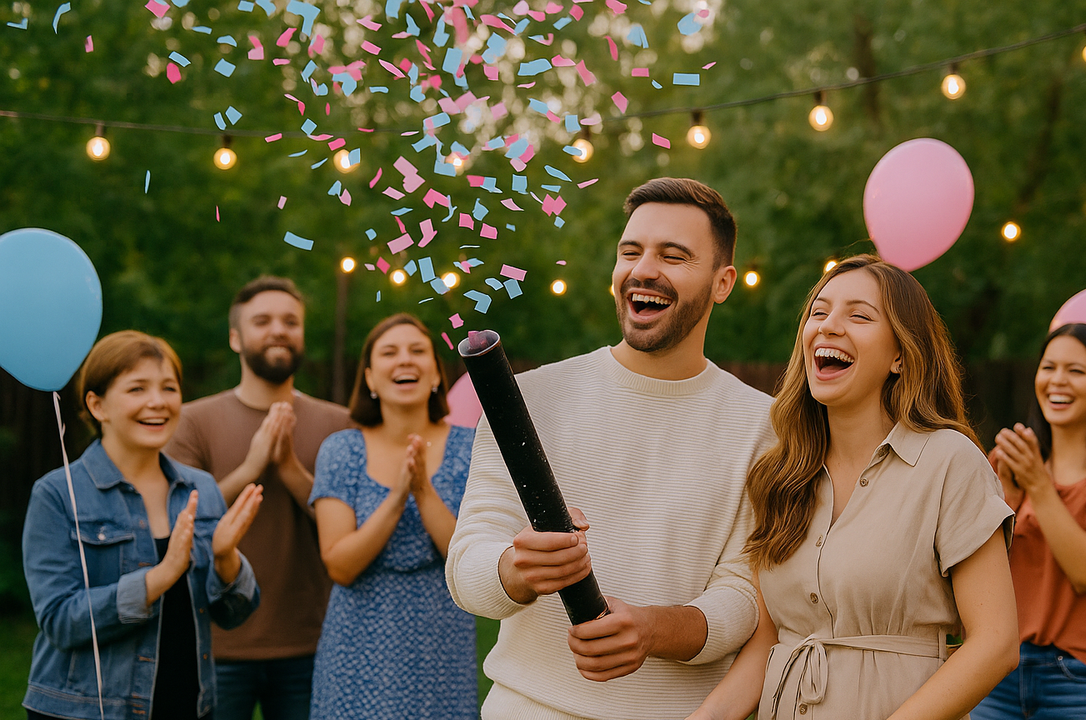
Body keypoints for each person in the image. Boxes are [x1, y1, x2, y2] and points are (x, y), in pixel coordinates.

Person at [445, 177, 775, 719]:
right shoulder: (530, 399)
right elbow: (466, 567)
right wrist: (515, 569)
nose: (644, 269)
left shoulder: (761, 426)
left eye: (674, 255)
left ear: (723, 282)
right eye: (631, 252)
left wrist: (654, 630)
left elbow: (743, 596)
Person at [688, 255, 1019, 720]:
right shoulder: (780, 474)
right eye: (818, 312)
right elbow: (767, 642)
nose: (828, 326)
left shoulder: (949, 462)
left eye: (859, 316)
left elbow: (996, 643)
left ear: (901, 355)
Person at [23, 330, 262, 720]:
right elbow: (60, 621)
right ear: (97, 405)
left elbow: (232, 615)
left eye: (169, 388)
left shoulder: (199, 488)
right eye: (137, 389)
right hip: (87, 711)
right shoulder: (57, 494)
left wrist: (226, 560)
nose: (158, 402)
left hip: (188, 704)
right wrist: (159, 578)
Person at [165, 276, 350, 720]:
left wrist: (289, 470)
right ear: (235, 338)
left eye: (291, 321)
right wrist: (250, 469)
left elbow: (349, 529)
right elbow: (176, 523)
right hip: (215, 645)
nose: (279, 330)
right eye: (262, 321)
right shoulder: (190, 421)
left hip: (312, 645)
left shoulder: (339, 425)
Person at [971, 323, 1086, 720]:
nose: (1057, 380)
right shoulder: (1008, 462)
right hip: (997, 671)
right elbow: (977, 572)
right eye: (1049, 367)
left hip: (1085, 682)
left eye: (1076, 370)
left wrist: (1039, 487)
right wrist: (1012, 498)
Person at [309, 314, 476, 718]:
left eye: (418, 351)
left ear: (436, 373)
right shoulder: (340, 450)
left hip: (441, 645)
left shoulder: (473, 446)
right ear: (369, 378)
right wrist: (398, 495)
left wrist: (422, 489)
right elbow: (340, 565)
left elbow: (468, 560)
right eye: (390, 352)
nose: (405, 360)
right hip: (356, 645)